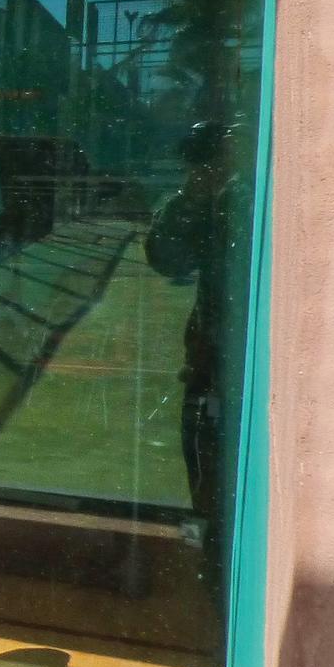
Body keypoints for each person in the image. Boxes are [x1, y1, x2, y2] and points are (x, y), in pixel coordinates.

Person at [145, 121, 243, 595]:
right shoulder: (221, 197)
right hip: (210, 370)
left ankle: (223, 584)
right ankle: (213, 582)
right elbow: (167, 257)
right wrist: (197, 194)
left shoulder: (253, 197)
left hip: (240, 371)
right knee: (207, 487)